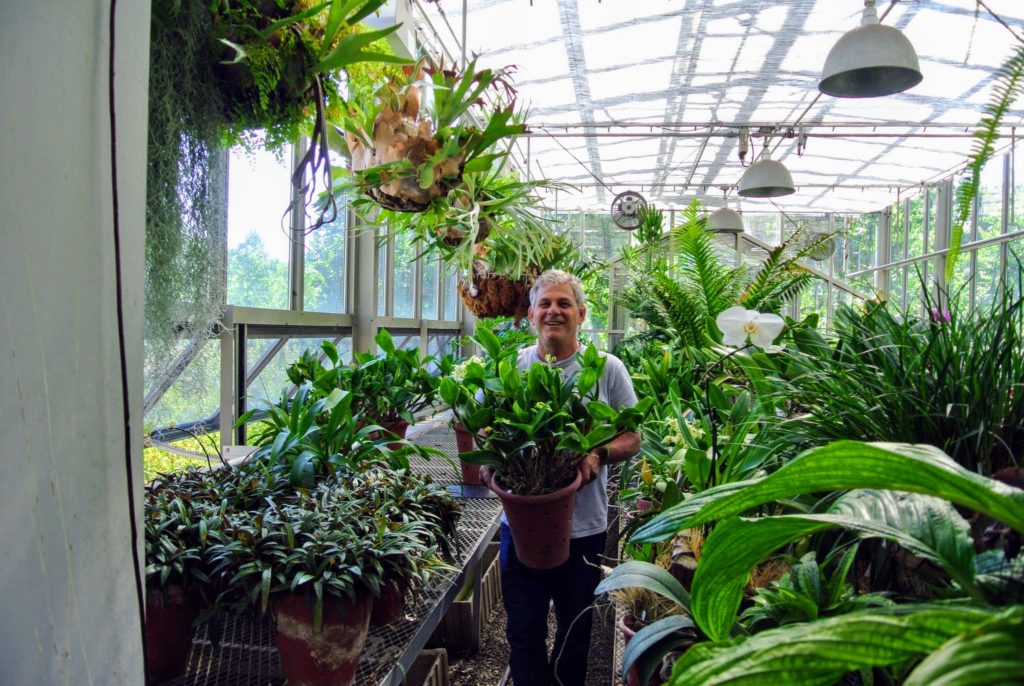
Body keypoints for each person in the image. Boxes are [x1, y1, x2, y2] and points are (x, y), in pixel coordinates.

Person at [480, 269, 640, 686]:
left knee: (575, 636)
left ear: (582, 314)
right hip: (521, 527)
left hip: (584, 528)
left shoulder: (606, 368)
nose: (554, 311)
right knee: (523, 633)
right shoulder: (509, 366)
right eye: (546, 304)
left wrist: (598, 452)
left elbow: (632, 435)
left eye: (564, 303)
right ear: (531, 314)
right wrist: (488, 456)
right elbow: (482, 426)